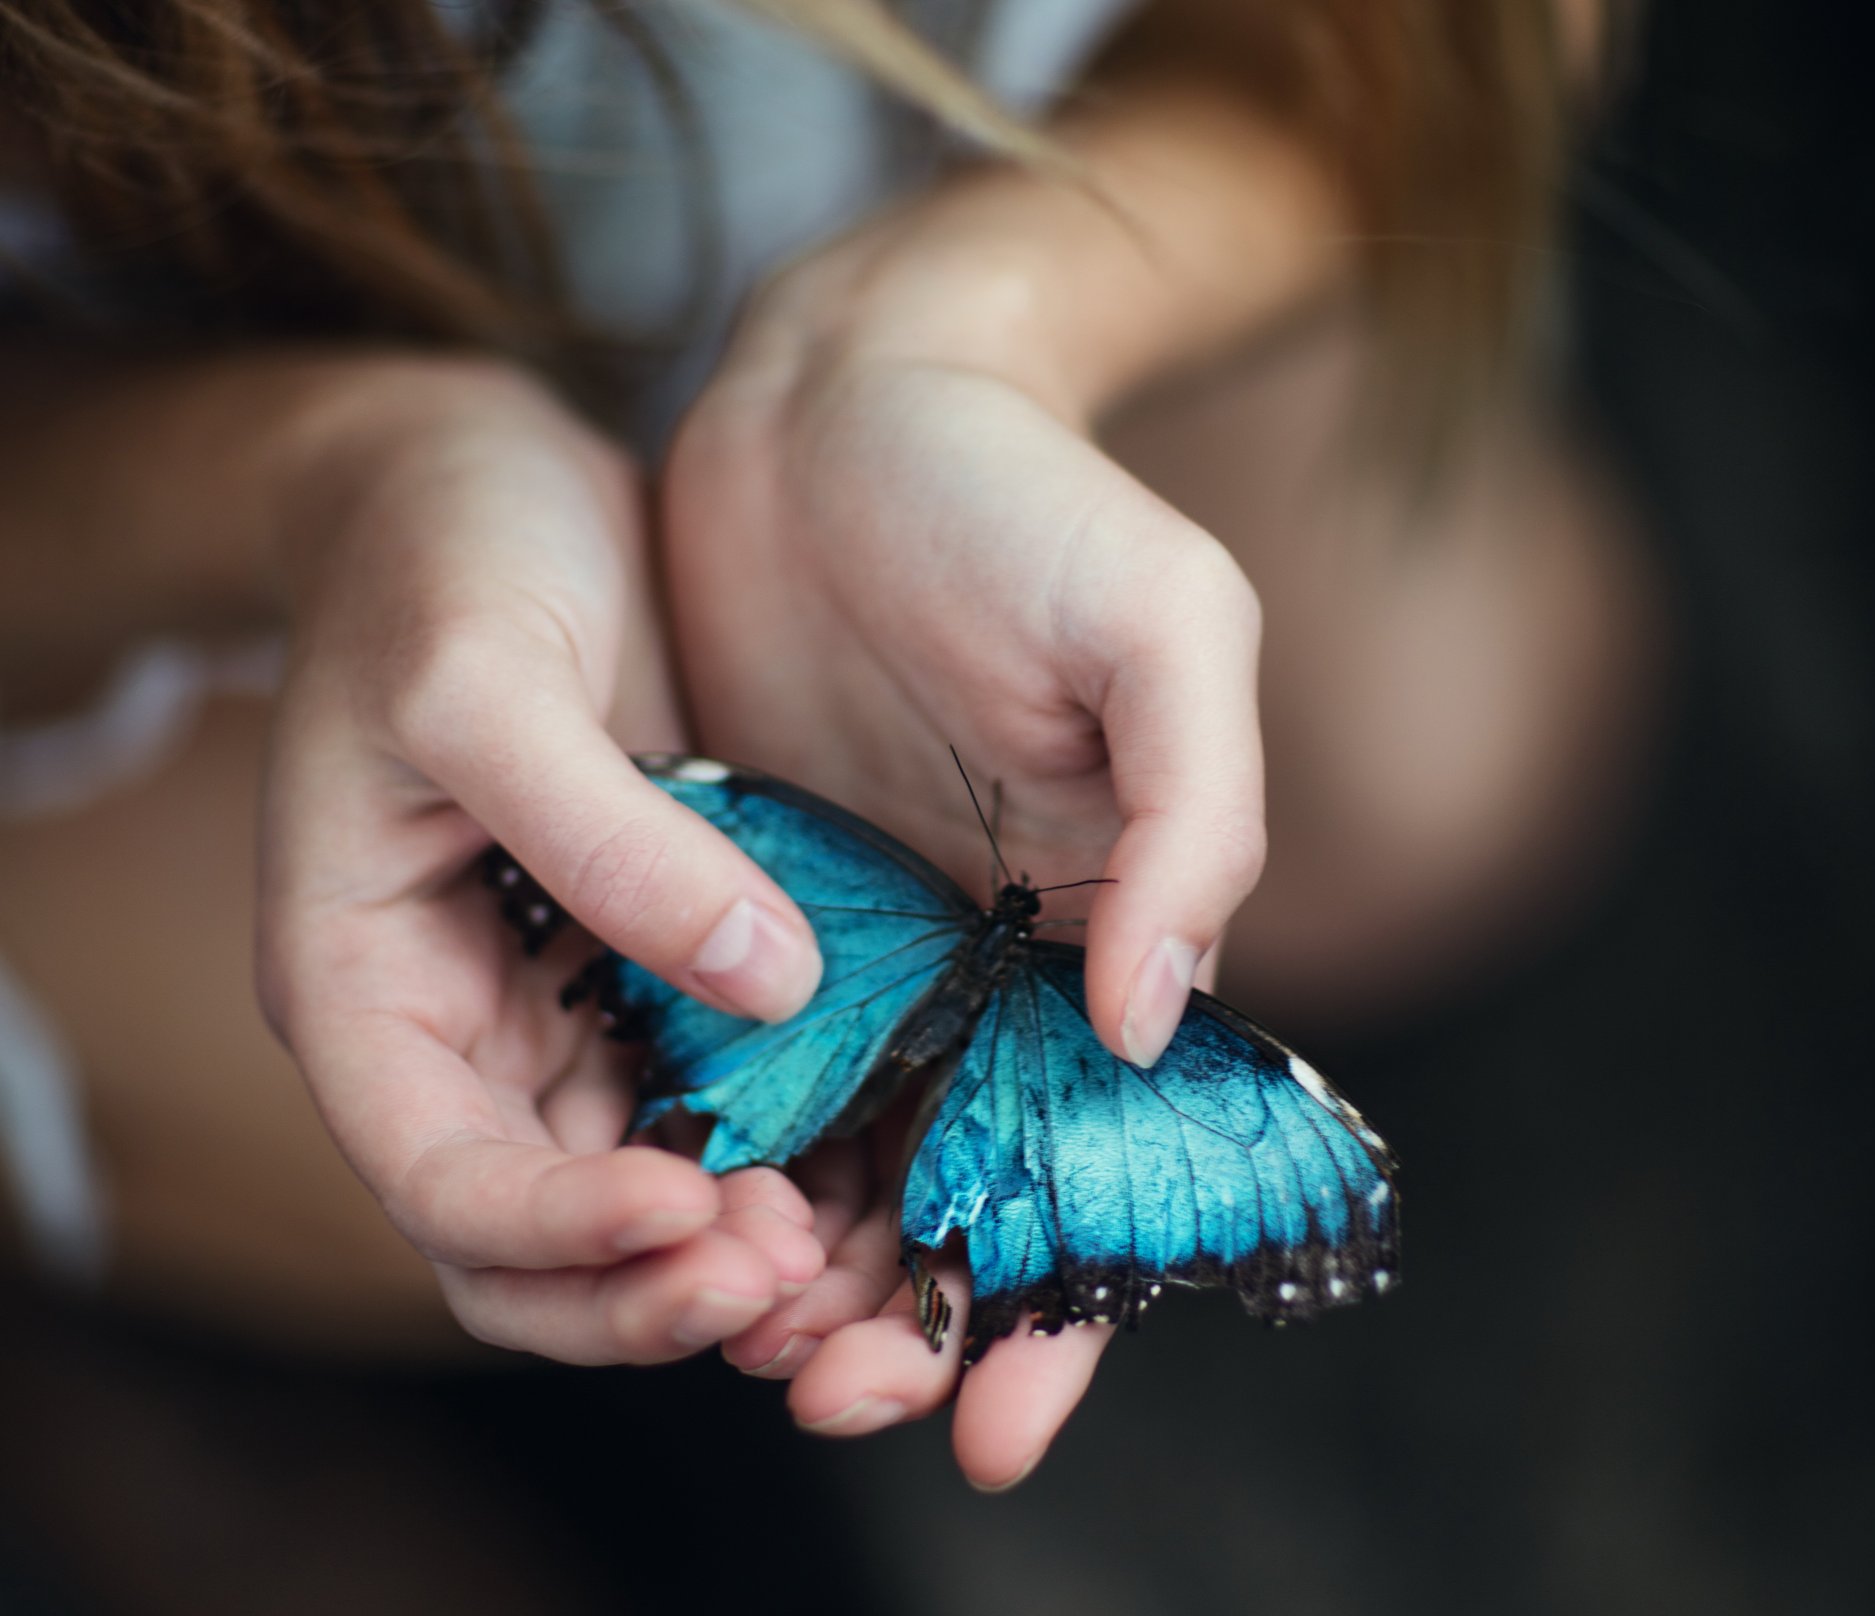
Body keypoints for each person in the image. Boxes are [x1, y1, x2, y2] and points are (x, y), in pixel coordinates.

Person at [0, 0, 1642, 1491]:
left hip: (977, 234)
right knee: (423, 1132)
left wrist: (965, 317)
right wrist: (343, 473)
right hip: (166, 510)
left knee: (1424, 765)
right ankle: (111, 1362)